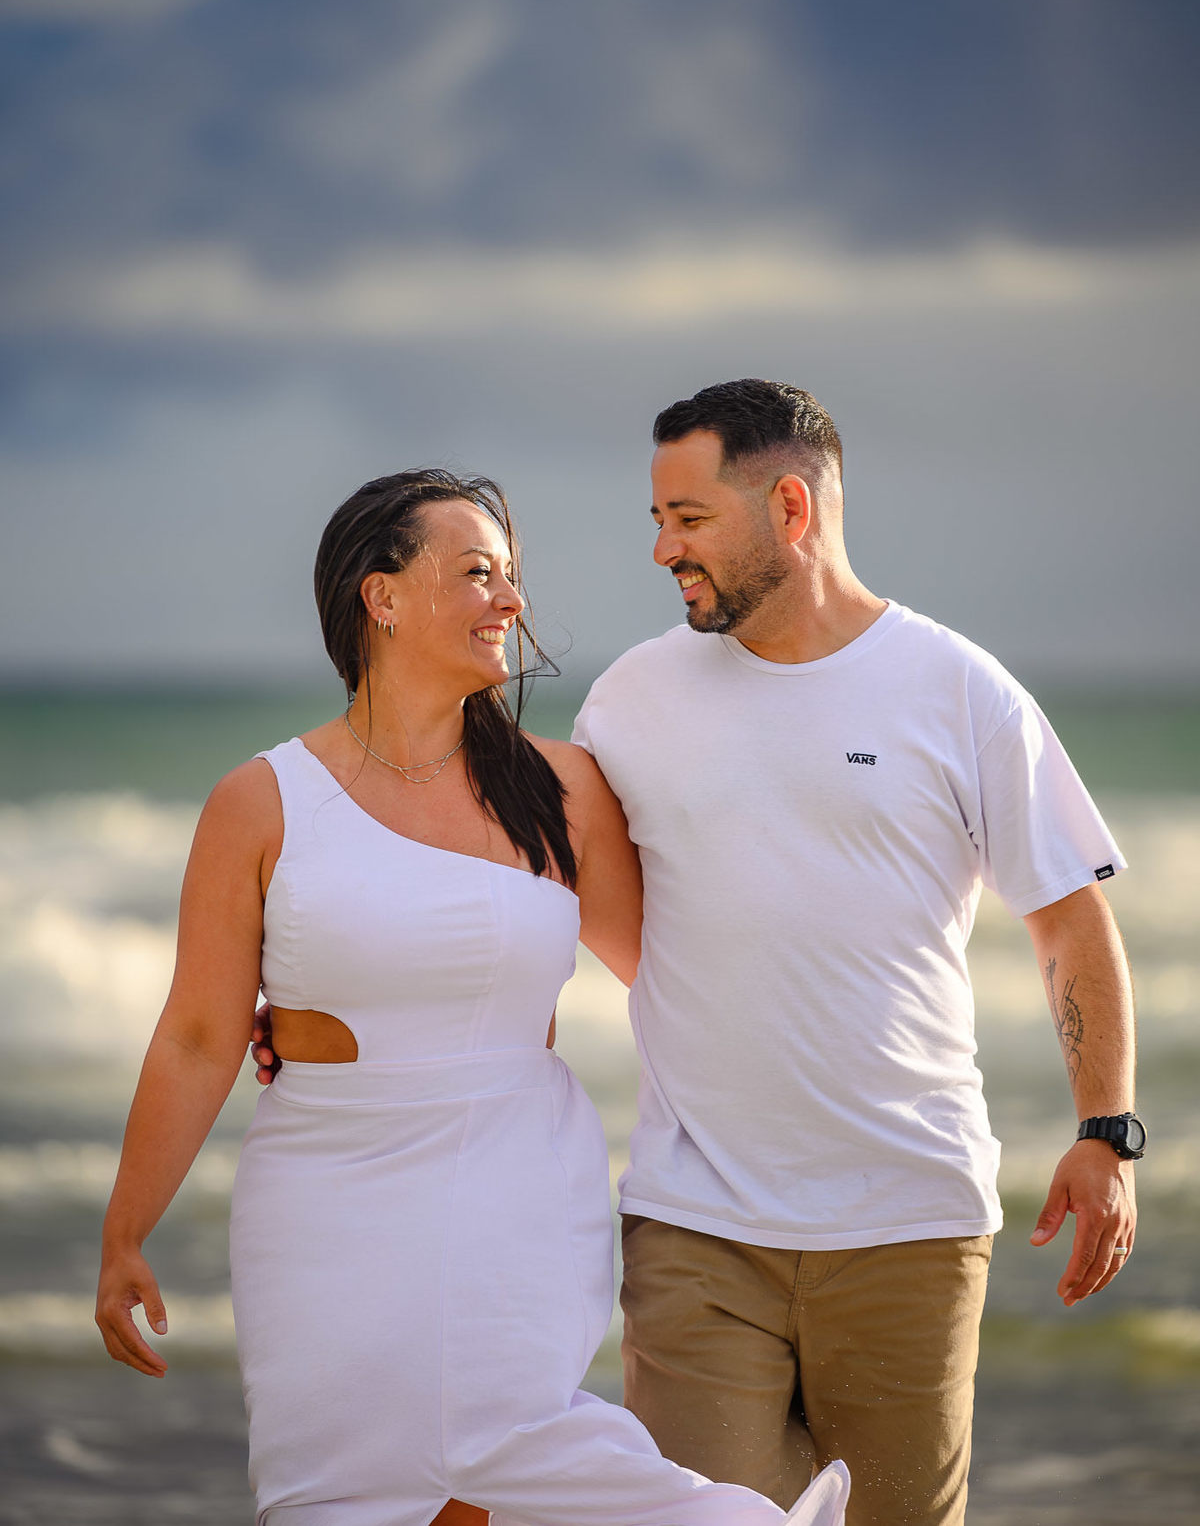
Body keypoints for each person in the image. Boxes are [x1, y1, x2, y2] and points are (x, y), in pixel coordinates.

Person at [95, 468, 849, 1526]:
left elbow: (680, 979)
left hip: (517, 1175)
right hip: (323, 1191)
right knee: (336, 1490)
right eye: (479, 574)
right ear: (383, 597)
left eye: (512, 578)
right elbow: (198, 1035)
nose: (513, 601)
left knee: (506, 1446)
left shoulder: (559, 791)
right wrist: (126, 1232)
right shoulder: (261, 803)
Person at [566, 379, 1141, 1526]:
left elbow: (1068, 918)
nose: (662, 549)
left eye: (687, 518)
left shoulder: (960, 692)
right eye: (657, 520)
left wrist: (1105, 1131)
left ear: (789, 506)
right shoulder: (631, 698)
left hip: (909, 1224)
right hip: (695, 1226)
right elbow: (550, 882)